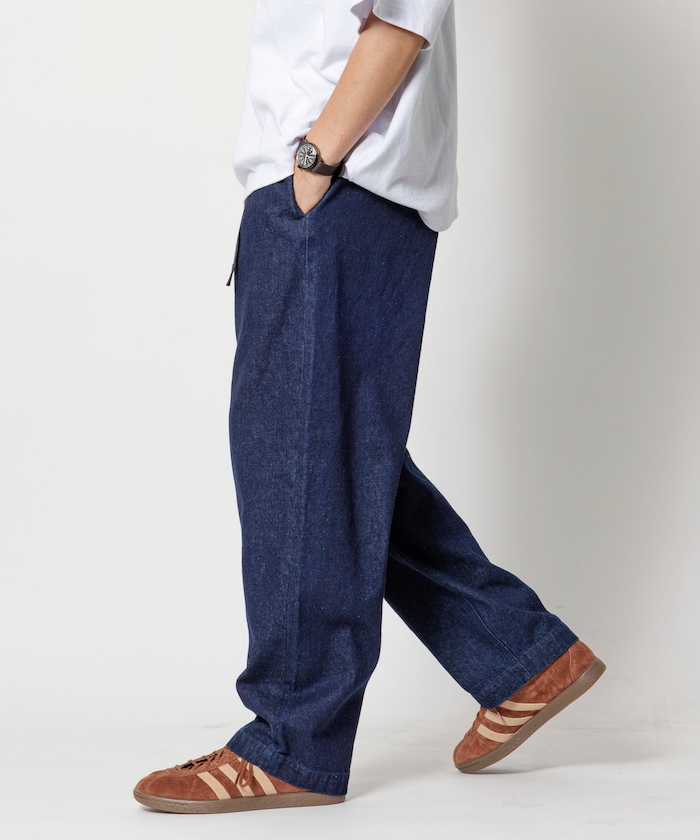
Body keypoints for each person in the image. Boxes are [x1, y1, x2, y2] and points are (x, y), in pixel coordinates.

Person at [133, 1, 604, 814]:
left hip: (337, 187)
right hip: (325, 190)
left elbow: (400, 20)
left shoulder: (327, 174)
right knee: (335, 459)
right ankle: (520, 656)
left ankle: (293, 740)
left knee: (299, 461)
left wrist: (315, 159)